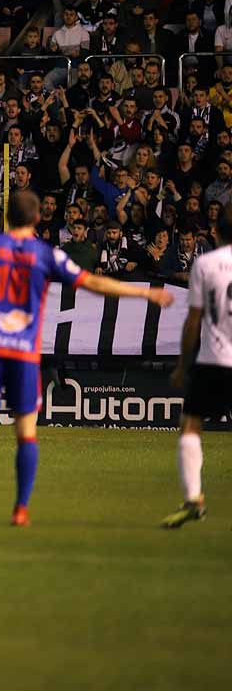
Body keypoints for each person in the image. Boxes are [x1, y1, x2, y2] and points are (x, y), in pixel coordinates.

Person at [0, 190, 174, 527]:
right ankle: (20, 509)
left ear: (7, 218)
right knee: (26, 432)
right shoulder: (45, 253)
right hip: (22, 351)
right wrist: (145, 292)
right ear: (35, 220)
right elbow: (93, 283)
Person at [161, 206, 232, 528]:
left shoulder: (205, 264)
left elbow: (193, 321)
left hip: (213, 360)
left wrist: (181, 366)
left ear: (215, 232)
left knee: (191, 425)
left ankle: (194, 498)